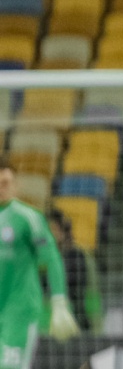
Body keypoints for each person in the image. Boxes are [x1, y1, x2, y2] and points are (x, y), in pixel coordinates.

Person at [0, 156, 79, 369]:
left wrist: (59, 301)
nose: (1, 188)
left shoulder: (28, 218)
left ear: (15, 185)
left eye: (5, 183)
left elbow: (51, 258)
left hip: (19, 312)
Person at [47, 209, 103, 334]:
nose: (51, 234)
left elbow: (90, 292)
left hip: (79, 322)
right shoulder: (41, 258)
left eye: (54, 229)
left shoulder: (80, 257)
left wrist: (96, 327)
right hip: (47, 327)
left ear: (63, 231)